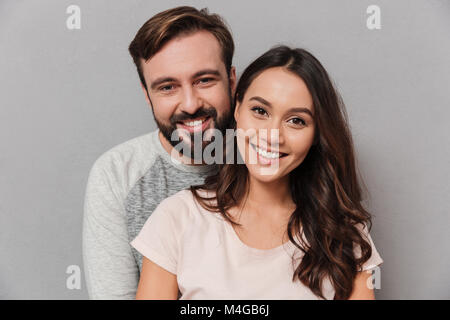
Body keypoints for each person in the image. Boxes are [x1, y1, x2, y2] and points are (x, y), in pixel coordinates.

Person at [131, 46, 384, 300]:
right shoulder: (177, 218)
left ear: (316, 134)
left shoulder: (344, 236)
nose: (272, 136)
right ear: (238, 108)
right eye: (260, 111)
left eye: (296, 120)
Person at [82, 6, 236, 299]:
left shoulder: (271, 159)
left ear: (231, 81)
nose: (190, 104)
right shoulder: (117, 174)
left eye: (204, 80)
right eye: (167, 87)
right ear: (147, 94)